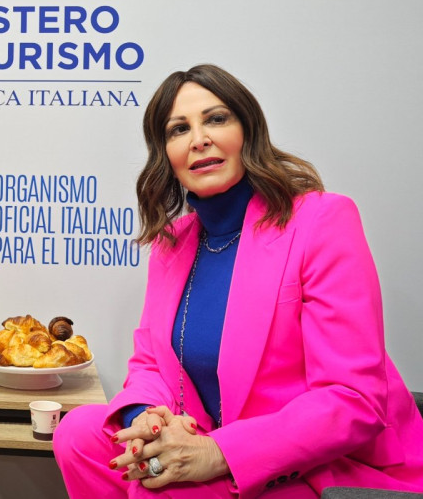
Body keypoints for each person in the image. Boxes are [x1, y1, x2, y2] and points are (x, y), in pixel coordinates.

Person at [53, 64, 423, 498]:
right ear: (166, 155)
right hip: (206, 437)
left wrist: (218, 452)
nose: (198, 139)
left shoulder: (322, 220)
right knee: (79, 433)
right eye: (179, 129)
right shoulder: (172, 243)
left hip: (314, 464)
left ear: (248, 131)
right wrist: (147, 419)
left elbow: (351, 398)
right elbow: (151, 364)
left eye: (216, 119)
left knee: (166, 487)